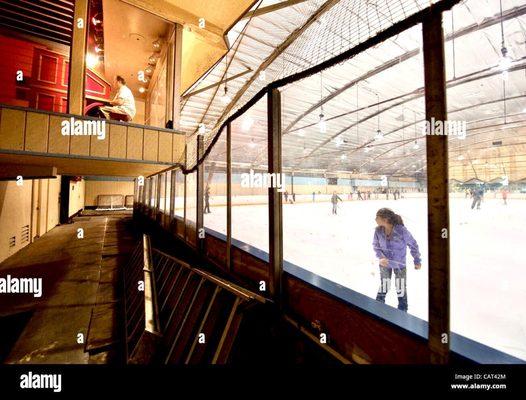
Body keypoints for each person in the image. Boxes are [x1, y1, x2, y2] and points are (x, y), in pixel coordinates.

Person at [372, 208, 421, 312]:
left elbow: (413, 245)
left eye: (377, 217)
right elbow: (376, 246)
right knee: (384, 286)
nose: (375, 219)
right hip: (384, 265)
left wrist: (417, 260)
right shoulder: (378, 231)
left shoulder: (402, 231)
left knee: (401, 289)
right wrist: (381, 257)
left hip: (400, 266)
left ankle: (402, 312)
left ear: (385, 219)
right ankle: (377, 310)